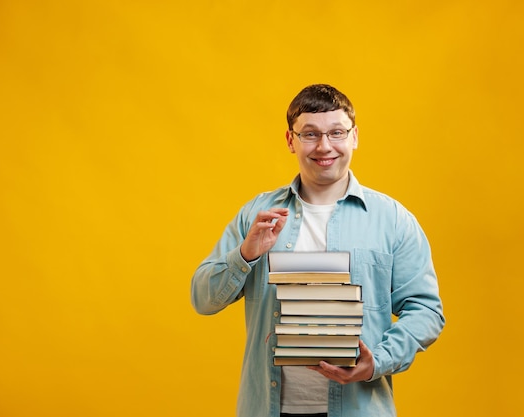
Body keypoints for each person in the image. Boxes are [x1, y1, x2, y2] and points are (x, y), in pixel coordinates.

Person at [191, 84, 445, 417]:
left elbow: (426, 311)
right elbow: (203, 299)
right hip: (268, 408)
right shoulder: (256, 215)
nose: (324, 146)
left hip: (359, 406)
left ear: (354, 137)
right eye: (310, 134)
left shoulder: (394, 220)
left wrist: (377, 362)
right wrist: (246, 254)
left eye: (337, 133)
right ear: (290, 140)